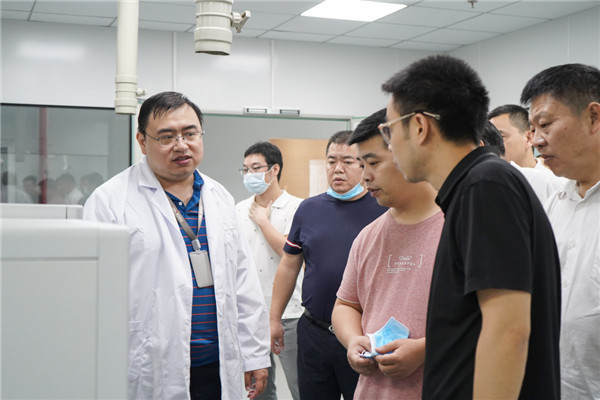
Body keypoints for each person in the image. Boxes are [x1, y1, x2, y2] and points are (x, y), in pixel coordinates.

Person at [381, 54, 561, 399]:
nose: (390, 146)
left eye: (389, 130)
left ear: (419, 126)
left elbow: (508, 331)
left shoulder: (485, 185)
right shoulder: (471, 187)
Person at [83, 91, 270, 400]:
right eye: (166, 137)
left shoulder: (219, 196)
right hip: (150, 364)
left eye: (190, 133)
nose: (181, 145)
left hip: (218, 363)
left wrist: (255, 354)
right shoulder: (110, 201)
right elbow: (92, 295)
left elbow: (243, 281)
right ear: (142, 141)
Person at [331, 109, 444, 399]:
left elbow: (491, 321)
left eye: (373, 163)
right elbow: (346, 305)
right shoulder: (368, 236)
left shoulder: (461, 229)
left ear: (411, 154)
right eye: (362, 165)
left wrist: (425, 350)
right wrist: (353, 340)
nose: (365, 177)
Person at [270, 130, 386, 400]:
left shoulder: (382, 209)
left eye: (348, 161)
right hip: (314, 331)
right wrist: (274, 318)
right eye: (332, 161)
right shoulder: (308, 209)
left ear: (364, 165)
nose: (338, 169)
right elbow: (289, 265)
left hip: (364, 334)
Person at [521, 63, 600, 400]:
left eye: (545, 125)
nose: (536, 141)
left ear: (594, 117)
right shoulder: (555, 203)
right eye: (532, 128)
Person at [235, 141, 303, 400]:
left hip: (290, 313)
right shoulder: (239, 210)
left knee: (300, 386)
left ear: (274, 170)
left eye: (256, 168)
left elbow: (289, 252)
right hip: (251, 314)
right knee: (259, 391)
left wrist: (263, 221)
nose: (249, 175)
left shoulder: (298, 207)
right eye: (245, 170)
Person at [489, 104, 567, 203]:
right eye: (489, 139)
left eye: (500, 137)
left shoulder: (555, 183)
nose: (493, 145)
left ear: (529, 138)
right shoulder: (490, 182)